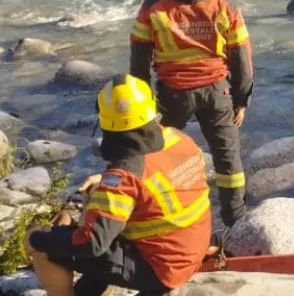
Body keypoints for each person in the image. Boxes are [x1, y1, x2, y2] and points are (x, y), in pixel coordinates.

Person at [26, 75, 211, 296]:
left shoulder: (124, 174)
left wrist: (39, 237)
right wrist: (104, 181)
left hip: (161, 268)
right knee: (108, 223)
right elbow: (154, 178)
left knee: (42, 243)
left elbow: (92, 243)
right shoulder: (180, 139)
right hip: (193, 249)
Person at [129, 0, 252, 227]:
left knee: (155, 152)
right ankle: (236, 224)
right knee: (228, 160)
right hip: (217, 92)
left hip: (172, 94)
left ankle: (154, 213)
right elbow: (242, 62)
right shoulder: (225, 5)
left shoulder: (153, 6)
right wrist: (241, 100)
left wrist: (143, 105)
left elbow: (138, 62)